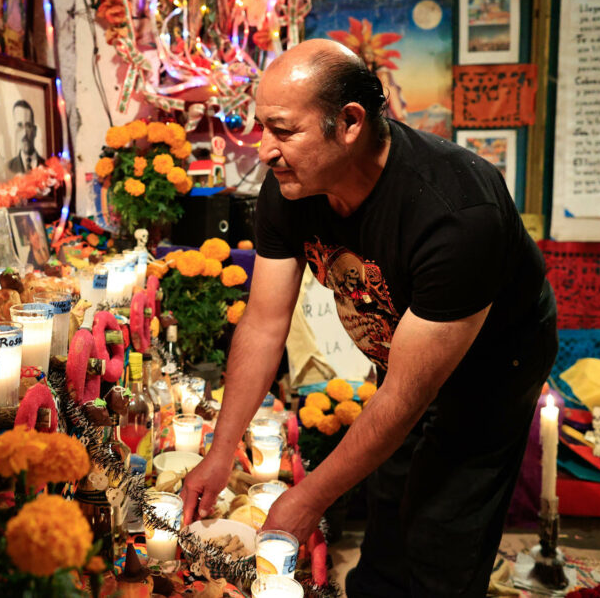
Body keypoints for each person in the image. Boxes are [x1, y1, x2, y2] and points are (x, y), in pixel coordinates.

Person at [181, 39, 557, 597]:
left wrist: (307, 499)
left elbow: (407, 397)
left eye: (283, 130)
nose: (264, 151)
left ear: (350, 123)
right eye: (262, 128)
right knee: (389, 504)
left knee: (443, 531)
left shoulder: (455, 212)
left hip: (492, 368)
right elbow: (263, 323)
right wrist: (219, 451)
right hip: (402, 351)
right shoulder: (292, 185)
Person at [7, 100, 44, 173]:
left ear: (35, 131)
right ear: (14, 130)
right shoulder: (8, 168)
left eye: (28, 126)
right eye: (20, 125)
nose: (24, 134)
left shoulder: (47, 167)